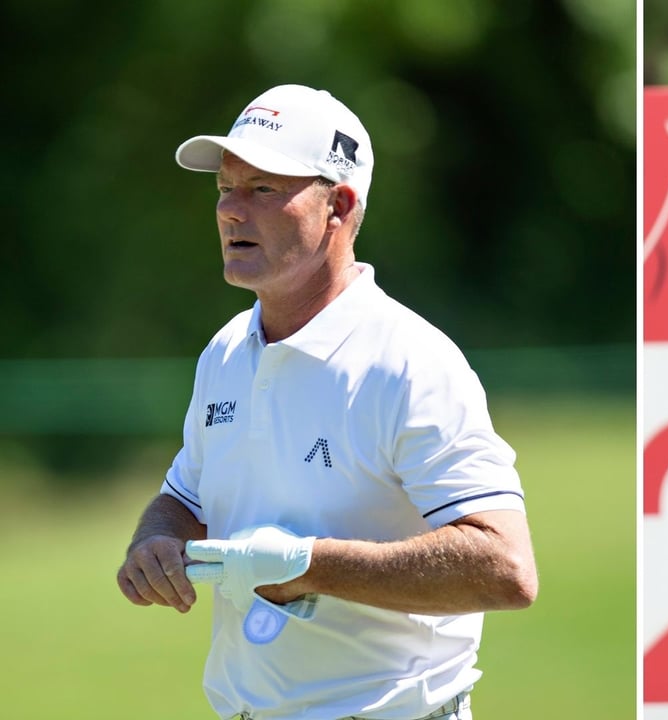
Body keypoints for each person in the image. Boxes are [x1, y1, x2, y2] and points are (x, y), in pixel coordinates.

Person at [116, 83, 538, 720]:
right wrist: (156, 540)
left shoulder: (410, 361)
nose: (231, 210)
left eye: (262, 189)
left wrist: (310, 565)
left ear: (338, 206)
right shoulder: (226, 352)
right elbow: (188, 497)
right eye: (225, 187)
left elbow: (504, 567)